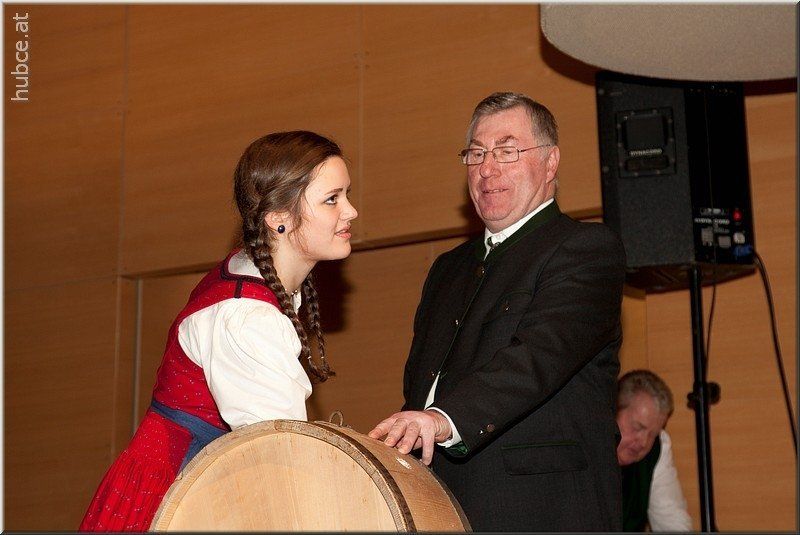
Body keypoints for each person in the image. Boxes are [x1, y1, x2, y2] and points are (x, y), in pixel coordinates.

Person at [368, 92, 626, 531]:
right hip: (439, 506)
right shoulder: (448, 269)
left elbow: (538, 356)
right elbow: (422, 388)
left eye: (507, 152)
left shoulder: (585, 249)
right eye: (476, 153)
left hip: (543, 511)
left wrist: (441, 420)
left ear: (550, 162)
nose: (487, 169)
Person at [79, 131, 358, 532]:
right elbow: (280, 459)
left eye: (346, 195)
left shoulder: (249, 279)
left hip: (189, 487)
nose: (351, 211)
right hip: (177, 497)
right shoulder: (245, 316)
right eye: (332, 199)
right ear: (278, 217)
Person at [616, 370, 693, 532]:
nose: (643, 442)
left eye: (653, 434)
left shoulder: (657, 449)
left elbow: (672, 521)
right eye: (637, 427)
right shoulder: (580, 445)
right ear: (612, 412)